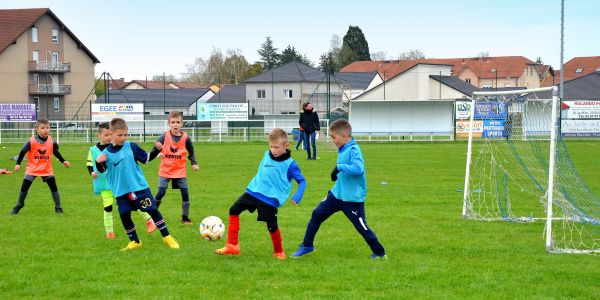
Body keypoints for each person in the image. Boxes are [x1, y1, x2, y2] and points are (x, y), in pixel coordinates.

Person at [291, 119, 386, 259]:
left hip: (351, 198)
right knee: (316, 215)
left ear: (345, 136)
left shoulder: (353, 150)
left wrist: (339, 168)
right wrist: (337, 175)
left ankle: (379, 252)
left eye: (334, 137)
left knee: (361, 227)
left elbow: (358, 169)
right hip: (336, 195)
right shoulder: (343, 148)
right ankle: (307, 246)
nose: (332, 141)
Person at [215, 128, 306, 260]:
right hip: (253, 192)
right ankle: (232, 245)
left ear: (286, 146)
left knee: (272, 226)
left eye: (277, 147)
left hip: (270, 200)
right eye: (271, 146)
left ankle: (279, 251)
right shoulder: (266, 154)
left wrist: (298, 195)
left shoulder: (290, 164)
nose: (273, 150)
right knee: (234, 210)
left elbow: (302, 181)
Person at [95, 118, 179, 251]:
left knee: (152, 210)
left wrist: (156, 150)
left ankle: (167, 237)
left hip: (139, 188)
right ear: (111, 134)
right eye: (120, 135)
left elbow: (147, 159)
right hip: (121, 192)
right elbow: (101, 171)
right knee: (124, 215)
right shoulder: (105, 154)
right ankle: (135, 241)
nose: (123, 138)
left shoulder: (131, 146)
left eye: (125, 135)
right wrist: (98, 162)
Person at [87, 122, 157, 239]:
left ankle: (149, 221)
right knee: (108, 207)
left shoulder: (119, 147)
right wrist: (92, 172)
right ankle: (109, 232)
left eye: (110, 135)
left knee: (135, 203)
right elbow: (89, 164)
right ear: (99, 135)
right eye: (106, 135)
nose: (109, 137)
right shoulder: (93, 150)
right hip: (105, 185)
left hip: (121, 184)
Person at [11, 118, 70, 214]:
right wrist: (18, 164)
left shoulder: (52, 141)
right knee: (24, 187)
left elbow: (56, 152)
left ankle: (58, 207)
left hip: (46, 169)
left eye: (47, 127)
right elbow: (22, 152)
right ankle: (19, 204)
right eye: (43, 128)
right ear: (37, 129)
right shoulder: (31, 141)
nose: (46, 130)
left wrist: (63, 161)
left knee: (54, 188)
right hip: (32, 168)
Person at [150, 111, 199, 224]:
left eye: (178, 122)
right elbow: (155, 150)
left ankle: (185, 218)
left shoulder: (186, 137)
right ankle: (152, 216)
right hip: (166, 169)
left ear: (182, 124)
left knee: (185, 193)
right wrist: (157, 152)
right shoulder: (164, 135)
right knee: (161, 192)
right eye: (173, 122)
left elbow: (191, 150)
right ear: (169, 123)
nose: (175, 124)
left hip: (180, 170)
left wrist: (193, 163)